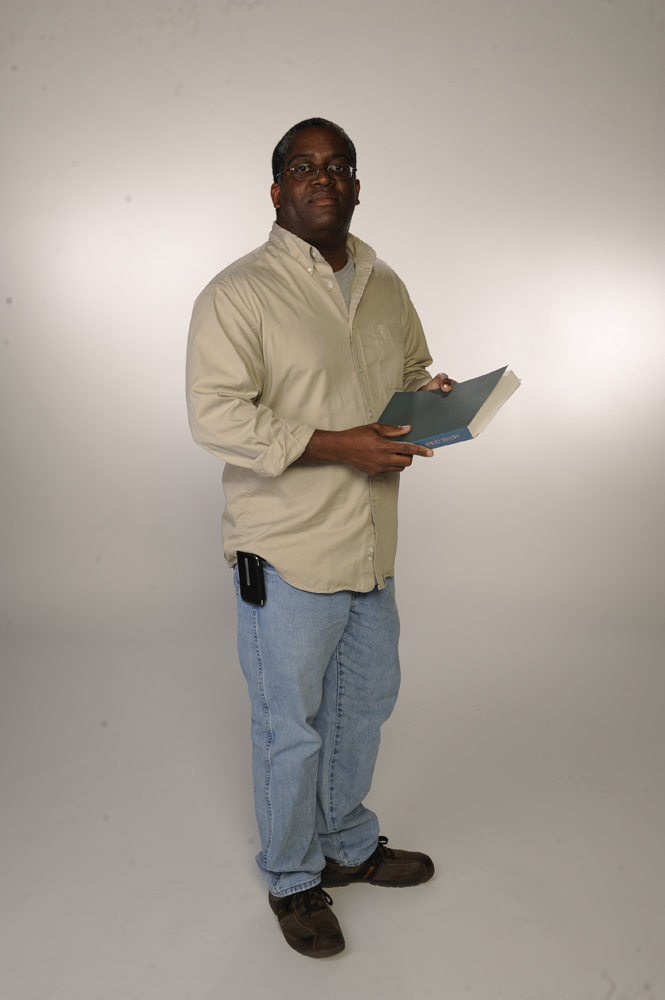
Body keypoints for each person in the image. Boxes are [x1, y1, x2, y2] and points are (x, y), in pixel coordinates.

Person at [186, 117, 455, 958]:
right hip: (287, 547)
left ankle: (345, 843)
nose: (322, 178)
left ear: (356, 186)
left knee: (363, 705)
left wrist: (432, 401)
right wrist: (343, 445)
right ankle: (293, 877)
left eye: (337, 166)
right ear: (276, 190)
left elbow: (409, 375)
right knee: (290, 727)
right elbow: (216, 414)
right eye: (302, 167)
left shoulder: (385, 283)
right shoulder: (237, 293)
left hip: (369, 541)